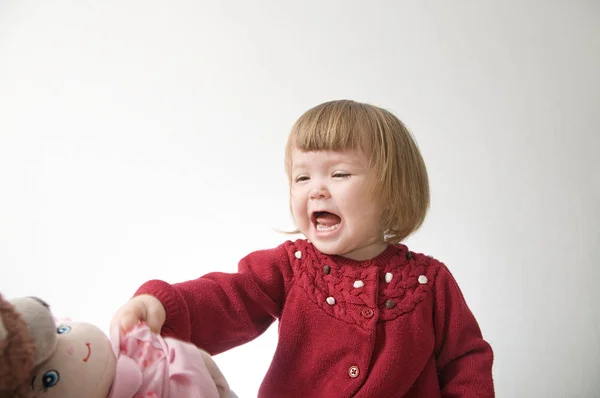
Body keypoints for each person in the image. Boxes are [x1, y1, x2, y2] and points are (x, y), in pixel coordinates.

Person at [111, 99, 494, 397]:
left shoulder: (431, 282)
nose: (317, 188)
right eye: (302, 176)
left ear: (392, 190)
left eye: (339, 173)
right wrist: (161, 305)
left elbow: (466, 363)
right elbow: (229, 298)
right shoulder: (292, 266)